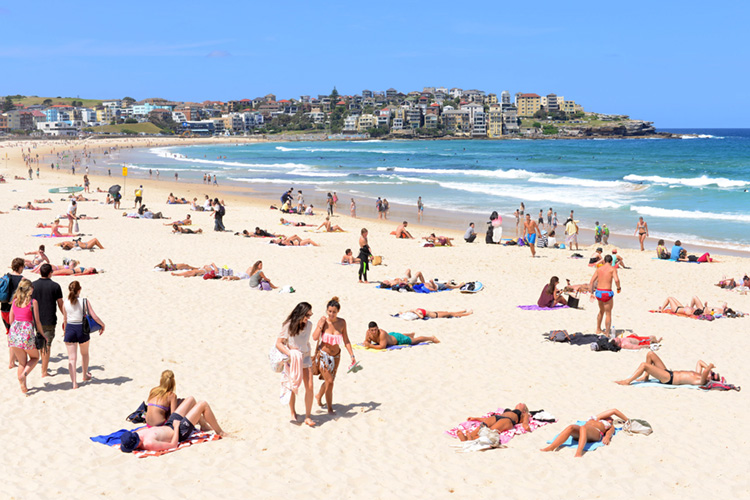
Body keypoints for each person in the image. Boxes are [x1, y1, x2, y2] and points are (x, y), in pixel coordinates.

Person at [119, 397, 226, 453]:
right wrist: (176, 427)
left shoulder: (136, 434)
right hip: (179, 431)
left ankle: (204, 425)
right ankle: (220, 432)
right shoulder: (149, 443)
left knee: (191, 399)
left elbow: (145, 429)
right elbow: (173, 445)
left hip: (169, 424)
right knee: (203, 404)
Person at [276, 302, 316, 427]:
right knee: (293, 385)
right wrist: (290, 354)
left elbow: (306, 342)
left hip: (305, 357)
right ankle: (293, 412)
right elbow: (279, 343)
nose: (309, 317)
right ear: (301, 314)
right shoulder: (288, 326)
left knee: (309, 386)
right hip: (292, 359)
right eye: (307, 315)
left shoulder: (309, 325)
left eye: (310, 315)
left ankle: (308, 416)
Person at [312, 297, 355, 414]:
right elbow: (315, 337)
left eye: (334, 312)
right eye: (329, 311)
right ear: (327, 310)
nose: (331, 314)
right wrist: (320, 325)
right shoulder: (323, 321)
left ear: (338, 312)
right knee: (330, 381)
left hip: (336, 356)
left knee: (328, 381)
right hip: (323, 355)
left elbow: (346, 340)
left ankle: (318, 395)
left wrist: (352, 355)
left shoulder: (342, 323)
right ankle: (330, 408)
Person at [62, 280, 105, 389]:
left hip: (70, 328)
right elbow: (94, 316)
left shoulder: (66, 301)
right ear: (79, 289)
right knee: (84, 354)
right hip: (82, 329)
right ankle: (85, 375)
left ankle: (74, 383)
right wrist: (102, 324)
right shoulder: (84, 301)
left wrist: (64, 331)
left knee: (72, 358)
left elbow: (65, 319)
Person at [8, 279, 46, 393]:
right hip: (26, 332)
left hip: (14, 332)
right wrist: (43, 334)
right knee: (35, 357)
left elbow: (10, 320)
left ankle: (23, 387)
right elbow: (38, 321)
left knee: (21, 363)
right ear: (28, 289)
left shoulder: (15, 301)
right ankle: (24, 375)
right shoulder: (32, 301)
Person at [541, 409, 628, 457]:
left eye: (612, 419)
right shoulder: (596, 418)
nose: (611, 418)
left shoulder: (609, 425)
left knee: (583, 428)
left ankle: (578, 453)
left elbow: (610, 432)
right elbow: (614, 410)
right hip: (583, 431)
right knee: (571, 427)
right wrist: (627, 419)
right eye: (609, 417)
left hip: (595, 434)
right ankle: (551, 447)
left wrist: (607, 437)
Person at [615, 351, 721, 386]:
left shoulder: (701, 381)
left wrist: (710, 367)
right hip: (668, 372)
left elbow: (706, 370)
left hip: (668, 379)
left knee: (644, 365)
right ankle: (646, 377)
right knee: (650, 354)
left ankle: (627, 381)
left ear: (710, 379)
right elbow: (699, 362)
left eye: (712, 375)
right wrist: (708, 367)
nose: (710, 372)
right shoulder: (699, 374)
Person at [31, 263, 63, 377]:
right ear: (50, 273)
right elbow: (60, 304)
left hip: (36, 319)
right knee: (47, 345)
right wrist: (65, 316)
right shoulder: (55, 286)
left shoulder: (33, 285)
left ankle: (43, 367)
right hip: (49, 319)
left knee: (41, 342)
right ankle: (44, 371)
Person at [456, 404, 530, 442]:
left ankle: (473, 439)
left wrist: (526, 426)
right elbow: (486, 419)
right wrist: (476, 418)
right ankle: (467, 438)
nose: (520, 403)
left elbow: (525, 422)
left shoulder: (525, 414)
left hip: (508, 420)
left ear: (524, 410)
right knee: (482, 426)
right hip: (497, 417)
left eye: (522, 404)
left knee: (490, 431)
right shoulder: (509, 410)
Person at [588, 254, 621, 335]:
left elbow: (591, 281)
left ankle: (598, 329)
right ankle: (606, 332)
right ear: (611, 261)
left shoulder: (599, 269)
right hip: (607, 292)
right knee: (608, 313)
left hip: (599, 292)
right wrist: (618, 288)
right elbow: (616, 280)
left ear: (604, 261)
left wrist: (591, 293)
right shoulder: (612, 269)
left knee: (601, 311)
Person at [2, 258, 25, 368]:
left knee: (9, 332)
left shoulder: (5, 277)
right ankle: (11, 362)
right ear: (20, 267)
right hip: (15, 311)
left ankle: (13, 357)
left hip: (3, 310)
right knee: (14, 335)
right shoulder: (22, 280)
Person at [363, 321, 439, 350]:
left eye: (375, 329)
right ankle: (410, 334)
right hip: (390, 336)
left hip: (398, 339)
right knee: (398, 335)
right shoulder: (368, 332)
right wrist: (366, 342)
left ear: (378, 328)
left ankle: (431, 338)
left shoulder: (382, 333)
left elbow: (382, 346)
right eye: (372, 330)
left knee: (415, 341)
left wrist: (370, 345)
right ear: (369, 330)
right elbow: (366, 341)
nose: (374, 332)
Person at [657, 296, 727, 317]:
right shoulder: (691, 310)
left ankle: (662, 309)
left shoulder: (689, 312)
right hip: (681, 307)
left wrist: (688, 308)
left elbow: (710, 314)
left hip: (676, 309)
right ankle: (662, 308)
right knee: (672, 298)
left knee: (669, 298)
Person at [402, 308, 473, 319]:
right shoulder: (417, 314)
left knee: (448, 312)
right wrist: (414, 312)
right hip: (435, 315)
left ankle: (461, 311)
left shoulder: (413, 311)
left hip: (434, 312)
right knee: (451, 314)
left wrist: (403, 312)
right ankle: (467, 314)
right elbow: (421, 317)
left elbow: (405, 311)